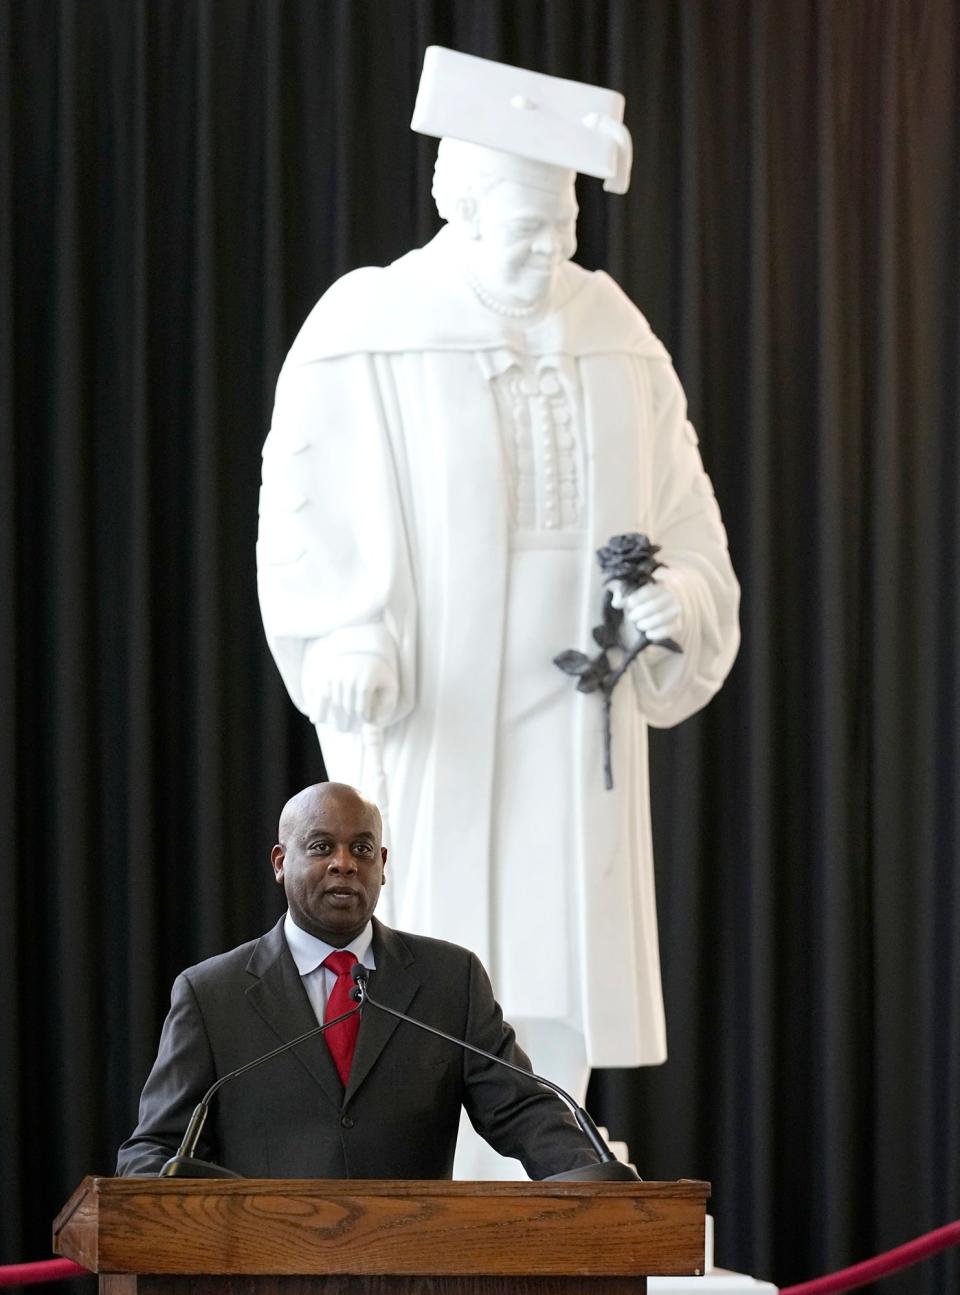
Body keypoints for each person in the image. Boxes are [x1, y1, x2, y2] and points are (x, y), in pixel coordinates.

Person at [256, 50, 740, 1174]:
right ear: (458, 205)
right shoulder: (371, 324)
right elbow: (306, 501)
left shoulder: (615, 332)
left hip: (574, 711)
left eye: (563, 226)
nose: (548, 251)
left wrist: (677, 601)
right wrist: (347, 630)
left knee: (561, 930)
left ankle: (553, 1136)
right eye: (524, 225)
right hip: (444, 699)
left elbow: (687, 518)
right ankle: (439, 1146)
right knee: (443, 909)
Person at [116, 782, 600, 1179]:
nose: (344, 862)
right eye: (322, 846)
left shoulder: (449, 980)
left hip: (412, 1267)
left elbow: (523, 1112)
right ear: (281, 863)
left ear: (383, 865)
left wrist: (600, 1182)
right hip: (265, 1267)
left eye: (361, 849)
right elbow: (156, 1147)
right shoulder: (212, 995)